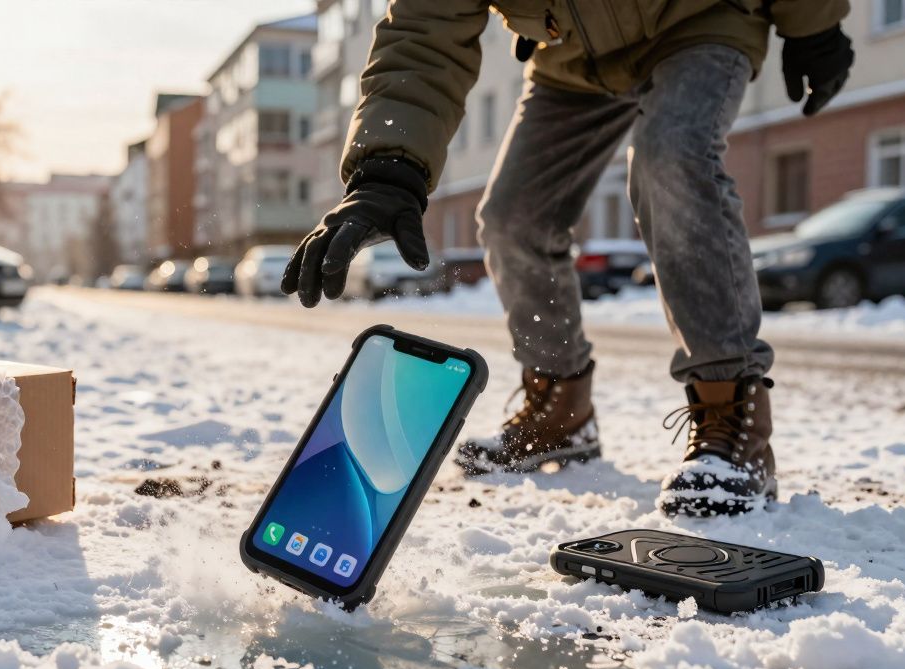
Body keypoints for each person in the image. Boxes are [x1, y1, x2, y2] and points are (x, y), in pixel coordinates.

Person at [282, 0, 854, 516]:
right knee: (512, 214)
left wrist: (814, 23)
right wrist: (387, 171)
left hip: (700, 18)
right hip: (573, 53)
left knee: (670, 160)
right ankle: (561, 410)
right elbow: (425, 28)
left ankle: (734, 420)